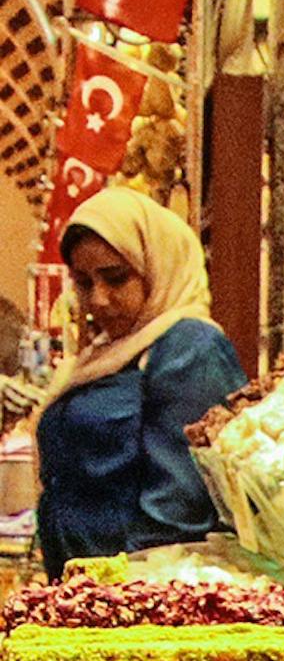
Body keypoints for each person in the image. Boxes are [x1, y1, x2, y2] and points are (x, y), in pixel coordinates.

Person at [34, 187, 246, 575]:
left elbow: (179, 509)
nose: (97, 299)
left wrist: (121, 592)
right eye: (83, 282)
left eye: (115, 279)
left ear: (157, 268)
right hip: (86, 592)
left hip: (134, 599)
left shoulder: (189, 347)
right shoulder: (107, 351)